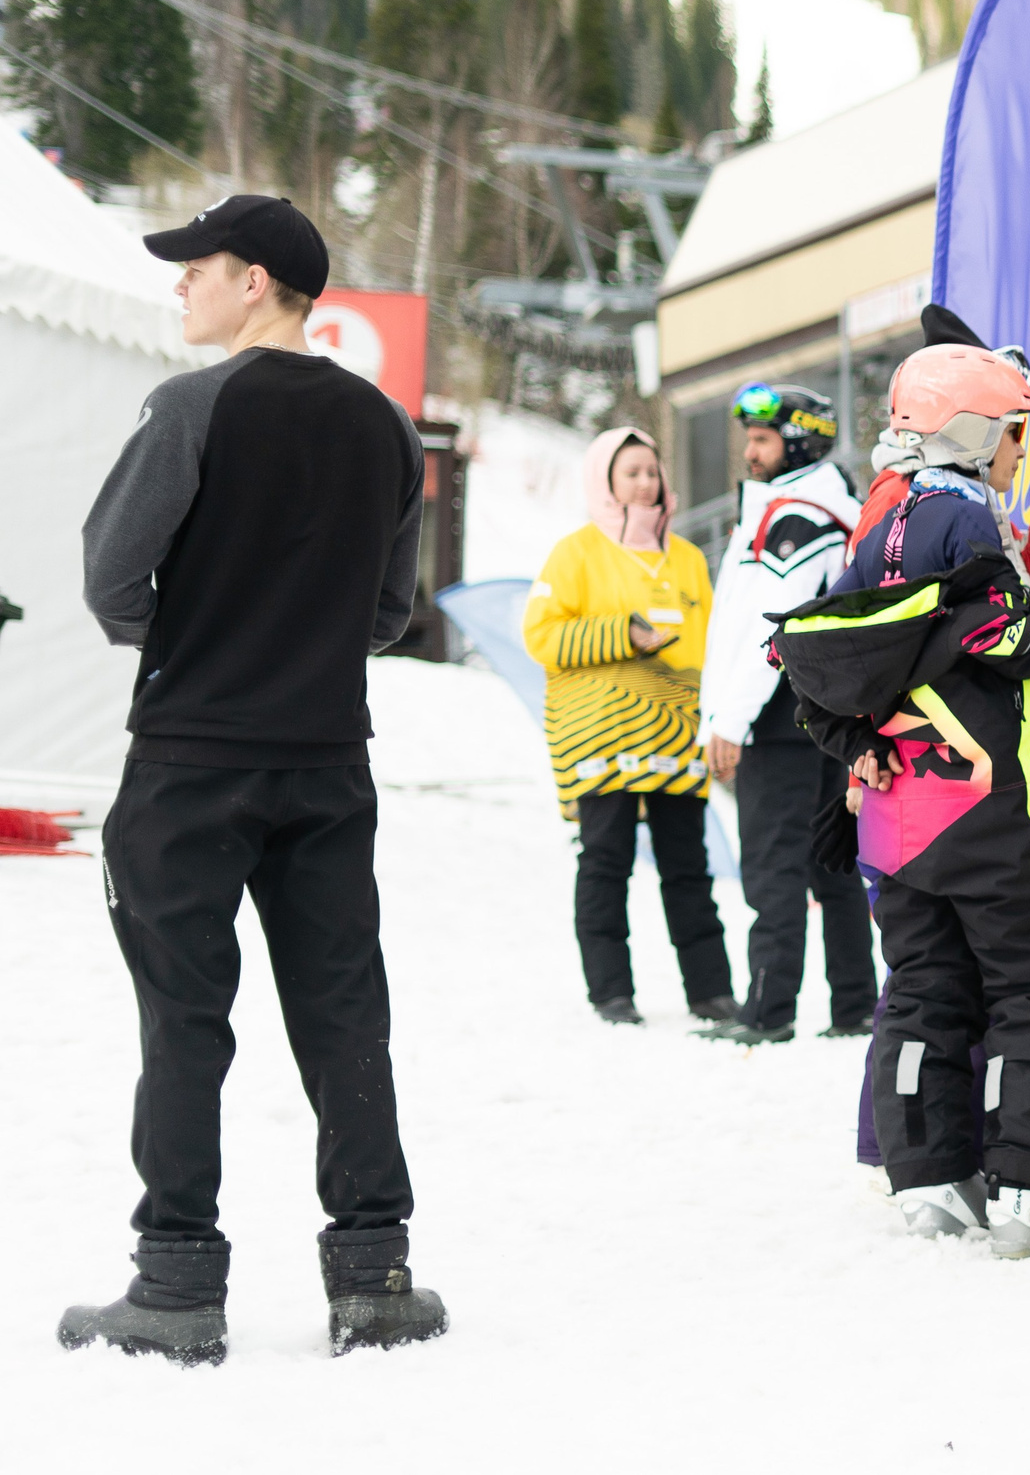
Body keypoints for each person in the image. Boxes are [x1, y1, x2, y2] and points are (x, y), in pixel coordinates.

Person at [65, 193, 445, 1364]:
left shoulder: (191, 405)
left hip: (190, 761)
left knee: (184, 1017)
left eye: (199, 265)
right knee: (345, 1013)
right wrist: (297, 646)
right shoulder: (387, 427)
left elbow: (110, 576)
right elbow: (390, 609)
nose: (181, 283)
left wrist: (204, 639)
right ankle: (374, 1275)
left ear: (257, 282)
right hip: (326, 761)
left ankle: (176, 1283)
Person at [773, 342, 1030, 1259]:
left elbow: (815, 653)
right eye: (1013, 432)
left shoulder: (882, 518)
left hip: (895, 822)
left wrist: (857, 747)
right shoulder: (964, 520)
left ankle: (933, 1185)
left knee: (924, 992)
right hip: (985, 808)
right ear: (975, 433)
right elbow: (1022, 640)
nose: (1019, 451)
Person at [523, 428, 732, 1028]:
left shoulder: (688, 558)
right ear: (605, 482)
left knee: (687, 864)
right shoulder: (575, 552)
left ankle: (711, 992)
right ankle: (611, 992)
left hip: (676, 734)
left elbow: (713, 645)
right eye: (631, 472)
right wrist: (623, 634)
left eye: (651, 472)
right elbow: (540, 635)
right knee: (605, 861)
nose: (645, 483)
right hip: (601, 732)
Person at [697, 383, 877, 1046]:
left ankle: (769, 1012)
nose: (750, 452)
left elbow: (772, 628)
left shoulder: (799, 516)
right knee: (831, 867)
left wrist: (730, 719)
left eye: (762, 440)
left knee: (774, 866)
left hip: (778, 718)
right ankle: (854, 1005)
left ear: (798, 442)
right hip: (821, 716)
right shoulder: (804, 507)